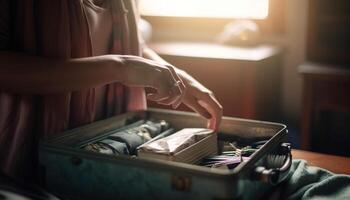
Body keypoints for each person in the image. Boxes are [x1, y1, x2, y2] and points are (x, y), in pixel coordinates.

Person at [0, 0, 223, 180]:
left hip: (109, 143)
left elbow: (132, 42)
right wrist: (119, 67)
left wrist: (175, 74)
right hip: (29, 153)